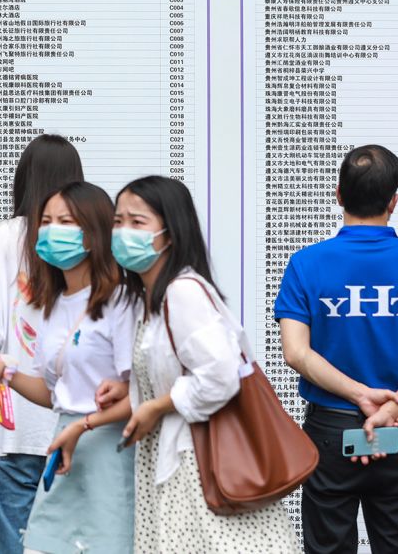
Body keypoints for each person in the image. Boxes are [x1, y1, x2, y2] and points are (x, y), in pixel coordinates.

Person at [276, 145, 398, 554]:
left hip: (330, 431)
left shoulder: (306, 264)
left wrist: (359, 397)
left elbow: (296, 353)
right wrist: (391, 410)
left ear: (338, 193)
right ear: (393, 200)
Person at [112, 175, 299, 552]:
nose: (123, 233)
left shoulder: (183, 293)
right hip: (179, 460)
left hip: (202, 464)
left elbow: (220, 375)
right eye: (117, 222)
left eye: (137, 222)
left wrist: (156, 406)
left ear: (170, 233)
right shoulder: (153, 299)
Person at [0, 181, 135, 554]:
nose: (51, 230)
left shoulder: (123, 301)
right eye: (45, 221)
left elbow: (146, 393)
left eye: (65, 221)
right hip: (64, 444)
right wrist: (8, 375)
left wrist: (84, 425)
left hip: (111, 447)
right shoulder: (53, 303)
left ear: (94, 233)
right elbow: (55, 394)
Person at [0, 133, 83, 554]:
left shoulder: (0, 238)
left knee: (15, 545)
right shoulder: (92, 240)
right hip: (75, 424)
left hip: (9, 426)